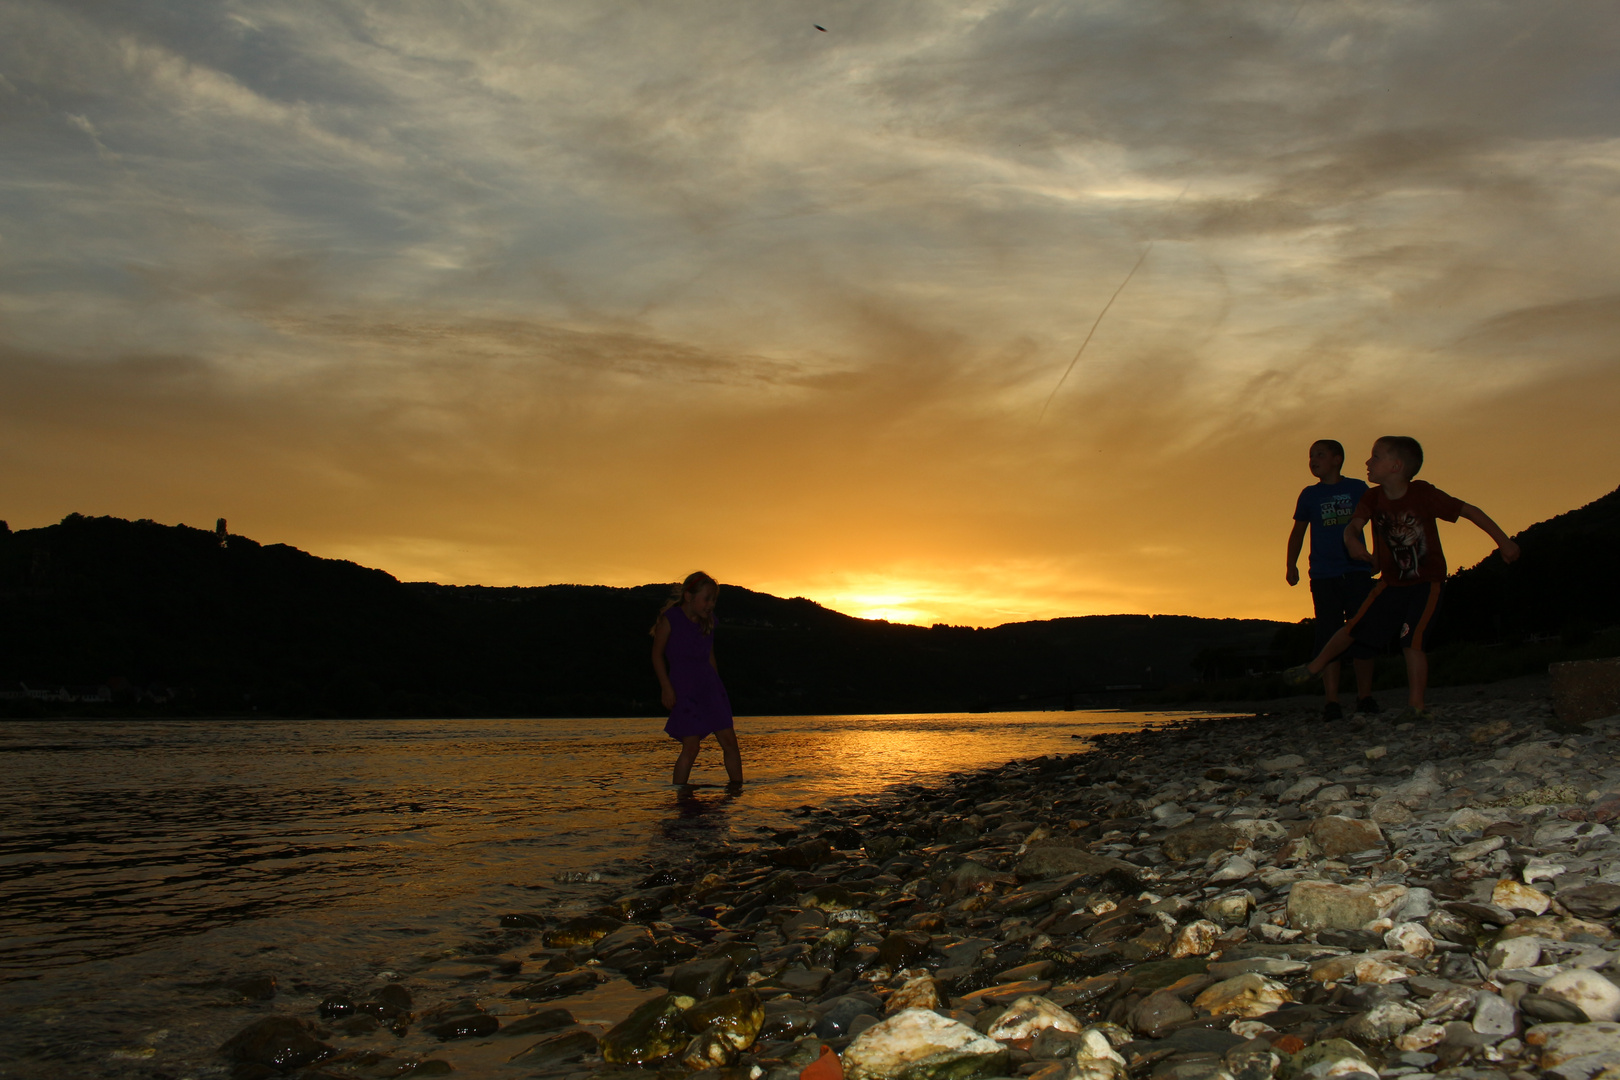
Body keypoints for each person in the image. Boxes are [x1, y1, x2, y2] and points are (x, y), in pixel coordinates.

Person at [1284, 436, 1520, 720]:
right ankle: (1313, 668)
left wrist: (1503, 541)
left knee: (1412, 640)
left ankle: (1416, 706)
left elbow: (1467, 511)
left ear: (1395, 466)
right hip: (1390, 583)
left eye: (1375, 457)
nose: (1368, 462)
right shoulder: (1371, 497)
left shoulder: (1422, 494)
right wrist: (1353, 543)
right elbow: (1353, 526)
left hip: (1426, 582)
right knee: (1354, 627)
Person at [1285, 439, 1377, 719]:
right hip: (1324, 574)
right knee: (1328, 634)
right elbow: (1298, 532)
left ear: (1337, 459)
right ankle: (1332, 701)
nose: (1313, 460)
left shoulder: (1358, 489)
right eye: (1310, 456)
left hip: (1357, 571)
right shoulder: (1309, 495)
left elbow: (1379, 522)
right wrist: (1291, 565)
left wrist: (1377, 558)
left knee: (1361, 630)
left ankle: (1365, 696)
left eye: (1320, 455)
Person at [651, 571, 742, 786]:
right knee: (691, 747)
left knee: (730, 742)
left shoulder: (707, 622)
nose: (711, 604)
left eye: (714, 600)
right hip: (684, 689)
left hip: (709, 688)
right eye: (707, 599)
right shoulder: (671, 620)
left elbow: (709, 655)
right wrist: (666, 687)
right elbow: (656, 655)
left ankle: (737, 792)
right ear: (690, 597)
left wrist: (717, 689)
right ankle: (680, 795)